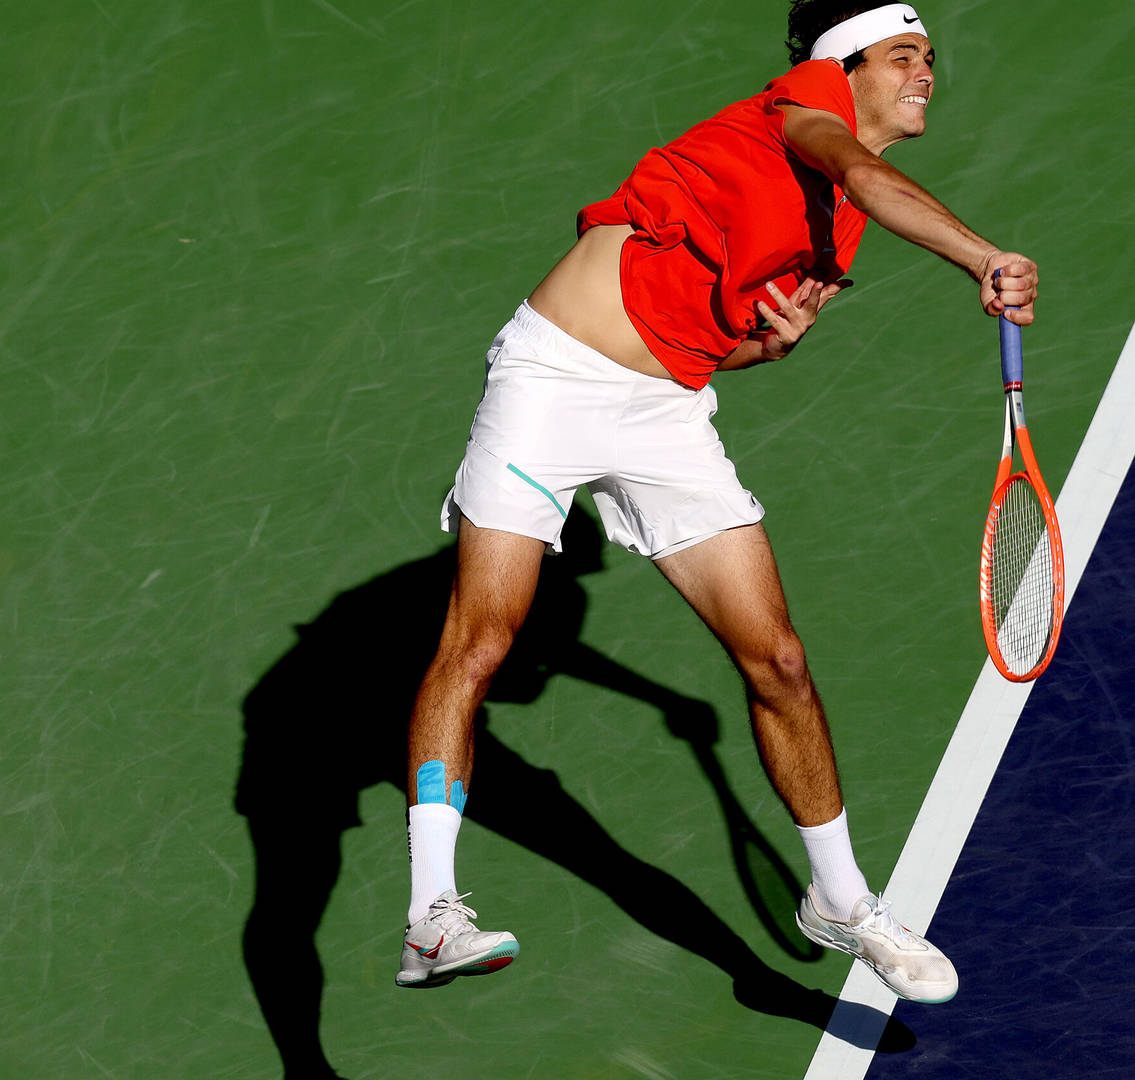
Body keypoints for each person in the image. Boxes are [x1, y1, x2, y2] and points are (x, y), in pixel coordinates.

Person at [398, 0, 1038, 1006]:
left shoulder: (840, 230)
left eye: (929, 59)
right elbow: (862, 169)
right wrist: (981, 258)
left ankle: (841, 902)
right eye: (904, 57)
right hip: (549, 385)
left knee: (778, 660)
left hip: (665, 409)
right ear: (845, 69)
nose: (925, 76)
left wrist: (767, 346)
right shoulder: (808, 111)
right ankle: (432, 915)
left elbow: (724, 341)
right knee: (481, 640)